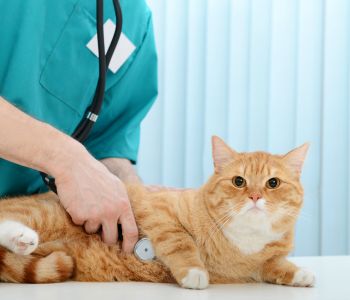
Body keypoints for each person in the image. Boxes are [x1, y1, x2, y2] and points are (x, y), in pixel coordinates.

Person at [0, 0, 158, 253]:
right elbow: (76, 164)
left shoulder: (133, 20)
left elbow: (106, 145)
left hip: (24, 237)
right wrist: (64, 158)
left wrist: (139, 203)